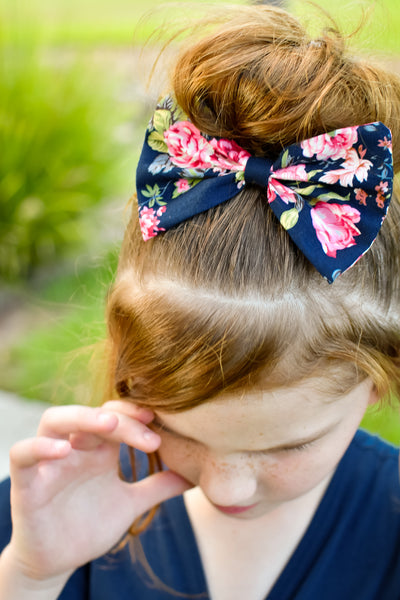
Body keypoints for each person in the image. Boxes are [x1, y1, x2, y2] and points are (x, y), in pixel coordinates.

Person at [1, 4, 400, 599]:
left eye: (287, 446)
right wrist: (34, 575)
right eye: (174, 429)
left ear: (380, 376)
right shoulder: (42, 516)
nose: (226, 489)